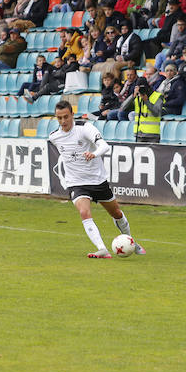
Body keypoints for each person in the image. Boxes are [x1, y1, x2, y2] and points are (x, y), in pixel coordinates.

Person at [49, 100, 145, 259]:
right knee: (84, 212)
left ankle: (132, 242)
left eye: (66, 117)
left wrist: (94, 154)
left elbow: (104, 146)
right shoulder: (54, 137)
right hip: (76, 183)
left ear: (72, 114)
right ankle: (102, 249)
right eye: (59, 118)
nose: (63, 121)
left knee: (117, 213)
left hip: (97, 180)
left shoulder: (85, 128)